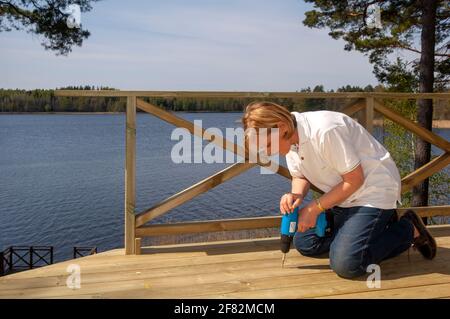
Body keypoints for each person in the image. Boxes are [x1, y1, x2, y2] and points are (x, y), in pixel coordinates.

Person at [242, 101, 437, 279]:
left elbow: (355, 180)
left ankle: (407, 229)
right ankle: (372, 230)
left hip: (373, 192)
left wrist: (314, 208)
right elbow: (299, 176)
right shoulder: (289, 138)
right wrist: (296, 195)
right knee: (305, 243)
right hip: (341, 196)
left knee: (347, 264)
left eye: (267, 145)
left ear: (280, 127)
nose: (267, 152)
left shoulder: (325, 131)